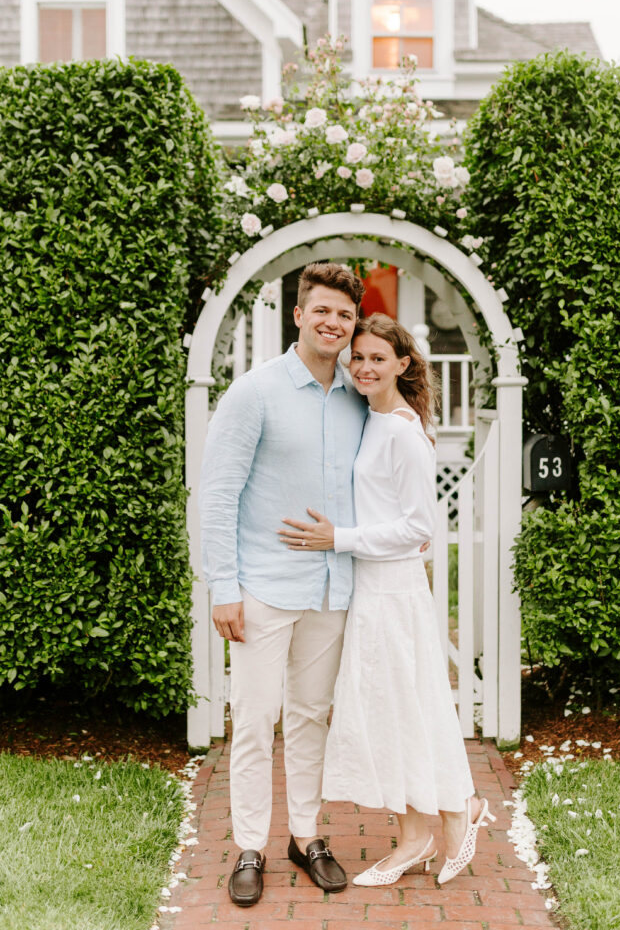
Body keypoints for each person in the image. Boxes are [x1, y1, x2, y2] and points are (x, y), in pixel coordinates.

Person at [279, 313, 495, 887]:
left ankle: (454, 813)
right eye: (359, 357)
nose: (364, 366)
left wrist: (339, 538)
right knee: (387, 710)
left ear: (403, 364)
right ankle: (423, 831)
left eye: (378, 357)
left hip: (395, 589)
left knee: (408, 704)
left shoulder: (403, 431)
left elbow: (419, 526)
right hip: (367, 586)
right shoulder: (368, 417)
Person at [199, 262, 368, 907]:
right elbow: (217, 496)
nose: (334, 323)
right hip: (264, 588)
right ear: (298, 315)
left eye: (345, 314)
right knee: (254, 721)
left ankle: (305, 837)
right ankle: (249, 845)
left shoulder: (359, 395)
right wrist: (223, 586)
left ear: (354, 322)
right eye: (322, 310)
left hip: (330, 590)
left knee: (310, 719)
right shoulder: (255, 392)